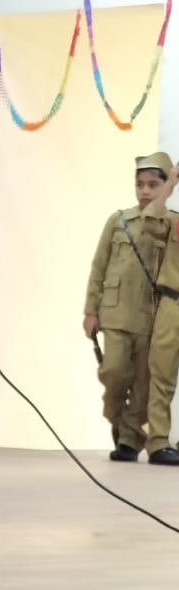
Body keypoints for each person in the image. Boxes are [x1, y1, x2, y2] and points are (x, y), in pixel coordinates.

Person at [83, 152, 173, 462]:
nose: (145, 191)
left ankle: (129, 441)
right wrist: (91, 310)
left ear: (166, 186)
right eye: (140, 184)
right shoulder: (118, 220)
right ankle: (120, 423)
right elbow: (99, 266)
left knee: (144, 385)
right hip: (116, 313)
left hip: (151, 316)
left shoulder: (170, 223)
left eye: (153, 185)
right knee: (113, 373)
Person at [136, 160, 179, 465]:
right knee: (161, 374)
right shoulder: (172, 220)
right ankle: (159, 443)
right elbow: (148, 220)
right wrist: (171, 181)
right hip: (172, 304)